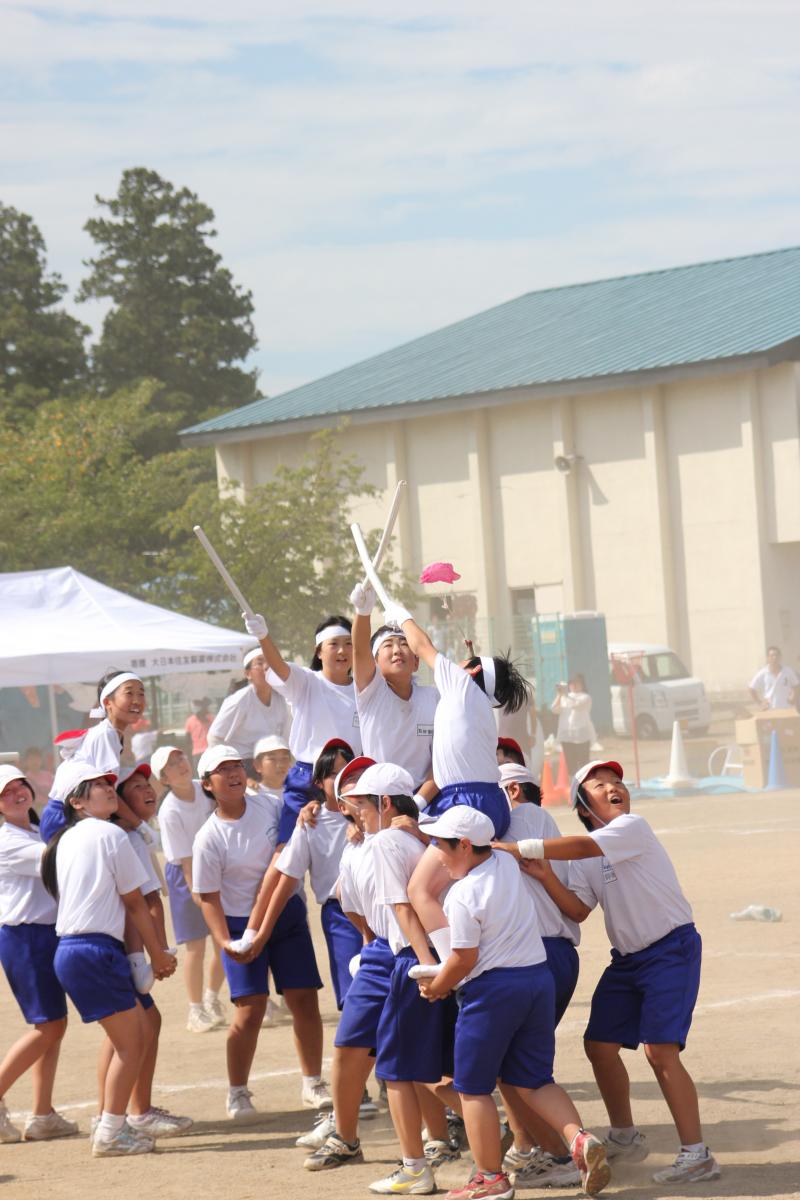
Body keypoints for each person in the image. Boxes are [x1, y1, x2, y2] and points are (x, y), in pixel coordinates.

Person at [495, 760, 720, 1184]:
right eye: (600, 785)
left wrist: (523, 848)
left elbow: (580, 847)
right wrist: (544, 876)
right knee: (598, 1044)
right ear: (582, 803)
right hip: (629, 960)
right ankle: (625, 1136)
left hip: (671, 948)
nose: (614, 788)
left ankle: (697, 1154)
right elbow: (578, 910)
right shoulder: (588, 855)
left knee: (659, 1052)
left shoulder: (632, 827)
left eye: (617, 782)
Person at [416, 806, 610, 1200]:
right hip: (536, 981)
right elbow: (504, 849)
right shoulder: (504, 861)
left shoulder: (463, 895)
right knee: (535, 1079)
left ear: (465, 845)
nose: (436, 852)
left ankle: (489, 1179)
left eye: (440, 843)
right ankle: (578, 1139)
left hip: (493, 992)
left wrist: (438, 985)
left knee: (472, 1089)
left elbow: (463, 960)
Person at [376, 598, 529, 964]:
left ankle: (452, 965)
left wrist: (400, 614)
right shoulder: (472, 700)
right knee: (453, 888)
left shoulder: (460, 686)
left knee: (420, 889)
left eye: (467, 666)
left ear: (471, 673)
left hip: (467, 803)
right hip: (480, 799)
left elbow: (423, 646)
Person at [41, 762, 177, 1158]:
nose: (107, 788)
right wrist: (157, 955)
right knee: (132, 1043)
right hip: (93, 951)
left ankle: (110, 1124)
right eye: (97, 785)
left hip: (77, 951)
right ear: (77, 802)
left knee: (133, 1037)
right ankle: (112, 1131)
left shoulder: (67, 839)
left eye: (107, 783)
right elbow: (135, 902)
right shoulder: (109, 833)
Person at [191, 744, 324, 1122]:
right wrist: (224, 942)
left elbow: (298, 819)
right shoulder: (209, 837)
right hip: (237, 925)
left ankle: (313, 1083)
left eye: (236, 766)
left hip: (287, 916)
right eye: (222, 770)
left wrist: (310, 809)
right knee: (250, 1010)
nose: (233, 773)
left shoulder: (267, 803)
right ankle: (238, 1093)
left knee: (304, 999)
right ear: (208, 784)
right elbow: (209, 898)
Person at [495, 761, 580, 1186]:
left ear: (511, 791)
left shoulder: (519, 818)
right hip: (560, 953)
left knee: (516, 1067)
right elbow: (576, 908)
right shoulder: (549, 824)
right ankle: (530, 1144)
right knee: (520, 1064)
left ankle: (560, 1152)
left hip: (530, 956)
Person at [104, 765, 193, 1140]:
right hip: (122, 947)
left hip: (122, 946)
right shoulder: (127, 837)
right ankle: (135, 1112)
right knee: (141, 1026)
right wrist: (152, 954)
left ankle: (112, 1113)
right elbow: (142, 903)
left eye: (147, 784)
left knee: (126, 1031)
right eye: (136, 787)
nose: (148, 790)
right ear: (120, 803)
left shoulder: (131, 835)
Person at [0, 765, 77, 1144]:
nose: (17, 794)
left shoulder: (32, 830)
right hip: (24, 937)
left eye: (21, 786)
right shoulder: (8, 839)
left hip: (47, 933)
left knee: (54, 1026)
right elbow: (58, 860)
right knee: (48, 1026)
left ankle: (43, 1114)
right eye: (6, 792)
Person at [241, 611, 362, 845]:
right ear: (319, 651)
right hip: (307, 778)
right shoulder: (306, 682)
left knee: (350, 847)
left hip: (349, 780)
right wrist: (263, 637)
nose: (342, 651)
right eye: (334, 644)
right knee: (286, 848)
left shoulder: (364, 689)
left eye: (348, 644)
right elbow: (278, 667)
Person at [151, 745, 225, 1034]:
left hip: (214, 868)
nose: (180, 764)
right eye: (171, 764)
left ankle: (212, 997)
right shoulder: (169, 809)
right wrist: (196, 890)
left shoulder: (204, 789)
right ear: (164, 778)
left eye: (180, 758)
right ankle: (195, 1009)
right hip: (186, 875)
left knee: (223, 940)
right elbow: (184, 858)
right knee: (196, 946)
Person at [350, 582, 439, 809]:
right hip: (380, 799)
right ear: (375, 662)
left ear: (417, 661)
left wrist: (418, 803)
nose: (398, 650)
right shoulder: (371, 693)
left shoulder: (433, 698)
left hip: (425, 799)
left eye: (404, 644)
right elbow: (359, 649)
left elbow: (442, 760)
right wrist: (363, 613)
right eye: (388, 645)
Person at [208, 650, 291, 769]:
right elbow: (214, 737)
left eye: (269, 662)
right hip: (244, 763)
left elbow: (286, 737)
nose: (266, 667)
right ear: (248, 674)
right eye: (260, 663)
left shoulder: (282, 699)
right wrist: (228, 766)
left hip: (272, 764)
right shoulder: (239, 700)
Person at [75, 670, 147, 774]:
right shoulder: (105, 735)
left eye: (141, 694)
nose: (137, 701)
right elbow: (105, 785)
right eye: (129, 693)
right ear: (107, 702)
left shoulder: (112, 734)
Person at [550, 675, 594, 775]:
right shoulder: (565, 697)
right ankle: (573, 785)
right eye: (571, 683)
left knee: (583, 763)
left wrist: (565, 694)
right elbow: (554, 709)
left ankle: (585, 786)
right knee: (570, 764)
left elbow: (575, 705)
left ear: (582, 685)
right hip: (567, 735)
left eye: (577, 683)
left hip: (581, 735)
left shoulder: (585, 697)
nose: (574, 686)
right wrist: (559, 695)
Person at [748, 646, 799, 710]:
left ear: (780, 657)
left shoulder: (788, 671)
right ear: (767, 658)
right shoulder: (763, 673)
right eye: (772, 656)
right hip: (769, 708)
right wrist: (760, 702)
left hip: (785, 707)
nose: (774, 657)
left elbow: (796, 686)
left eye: (776, 655)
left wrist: (793, 697)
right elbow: (751, 688)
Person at [185, 698, 213, 766]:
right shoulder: (211, 718)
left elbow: (187, 740)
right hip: (209, 751)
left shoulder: (189, 720)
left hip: (197, 752)